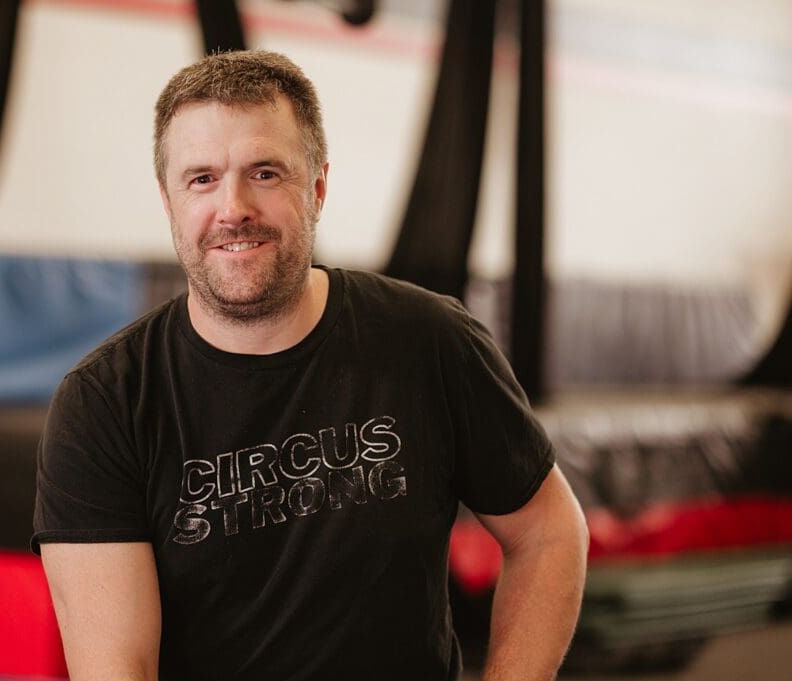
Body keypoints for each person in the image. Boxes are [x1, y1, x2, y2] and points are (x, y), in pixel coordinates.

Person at [33, 49, 588, 681]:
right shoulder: (104, 406)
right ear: (168, 200)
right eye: (202, 178)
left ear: (318, 186)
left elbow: (547, 532)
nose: (233, 207)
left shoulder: (429, 340)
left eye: (265, 172)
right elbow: (117, 668)